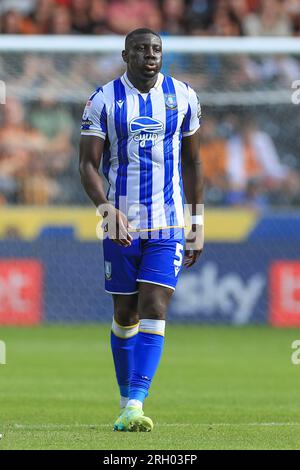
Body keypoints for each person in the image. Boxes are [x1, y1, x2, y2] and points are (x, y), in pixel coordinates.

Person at [79, 28, 204, 432]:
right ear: (125, 55)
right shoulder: (103, 100)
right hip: (122, 225)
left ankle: (136, 401)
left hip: (168, 223)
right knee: (125, 313)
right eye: (141, 49)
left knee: (155, 307)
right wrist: (106, 210)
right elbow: (87, 165)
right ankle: (126, 401)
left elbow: (194, 163)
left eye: (156, 49)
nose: (150, 56)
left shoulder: (184, 96)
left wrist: (196, 221)